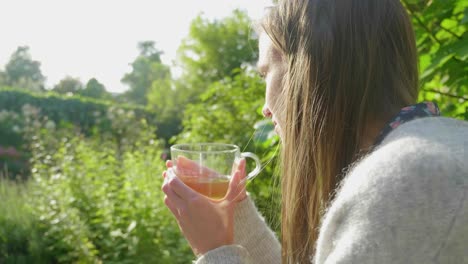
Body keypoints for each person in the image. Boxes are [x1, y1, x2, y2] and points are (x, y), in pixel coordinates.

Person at [161, 0, 468, 263]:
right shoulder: (429, 156)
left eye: (266, 73)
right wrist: (235, 218)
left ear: (307, 70)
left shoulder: (409, 180)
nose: (265, 108)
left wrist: (213, 250)